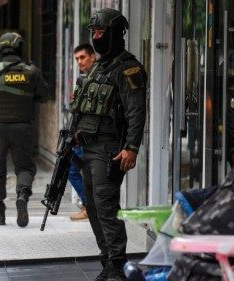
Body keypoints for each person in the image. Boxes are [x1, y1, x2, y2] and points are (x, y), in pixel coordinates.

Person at [69, 9, 147, 281]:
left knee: (105, 206)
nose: (96, 37)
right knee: (92, 206)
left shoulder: (128, 67)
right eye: (93, 33)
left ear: (114, 33)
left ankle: (117, 263)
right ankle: (108, 260)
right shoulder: (99, 67)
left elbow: (137, 112)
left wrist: (132, 147)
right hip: (88, 147)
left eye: (101, 32)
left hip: (109, 149)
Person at [0, 32, 49, 227]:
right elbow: (44, 96)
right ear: (20, 48)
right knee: (24, 167)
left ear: (0, 49)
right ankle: (22, 195)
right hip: (23, 128)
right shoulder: (32, 71)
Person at [69, 43, 96, 221]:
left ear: (92, 56)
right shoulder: (85, 78)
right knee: (72, 168)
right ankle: (90, 207)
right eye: (77, 59)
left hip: (92, 137)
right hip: (83, 135)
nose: (79, 61)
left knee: (72, 169)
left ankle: (90, 207)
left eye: (83, 57)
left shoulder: (98, 77)